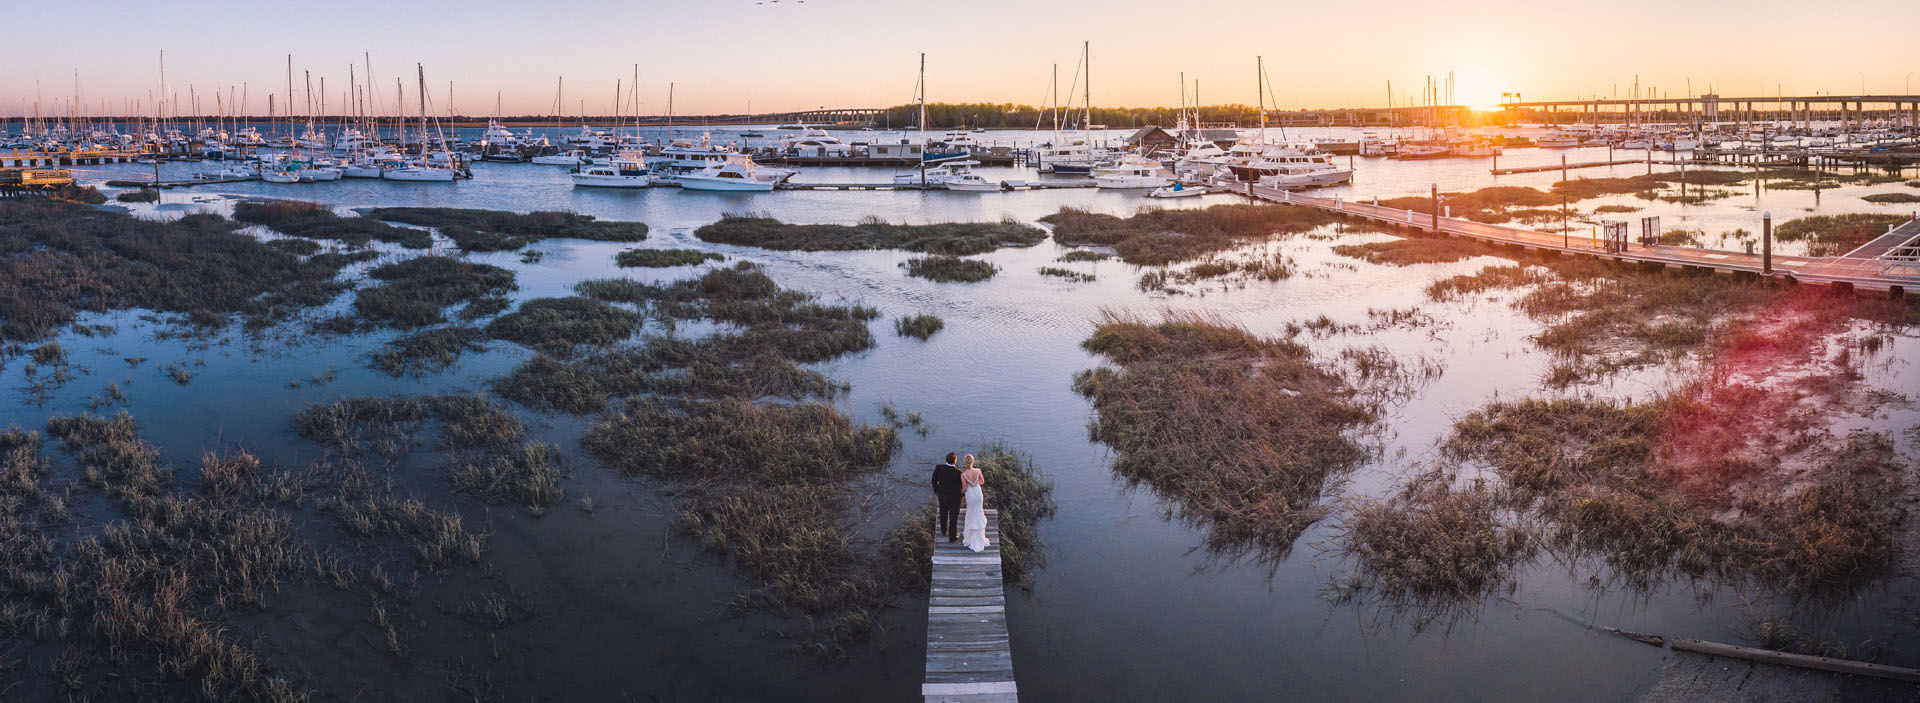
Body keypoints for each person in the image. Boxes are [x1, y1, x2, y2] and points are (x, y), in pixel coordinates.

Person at [931, 452, 963, 543]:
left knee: (943, 513)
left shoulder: (939, 468)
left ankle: (943, 530)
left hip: (942, 496)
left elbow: (933, 480)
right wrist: (962, 496)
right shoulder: (958, 473)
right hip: (955, 498)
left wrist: (937, 490)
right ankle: (952, 537)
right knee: (953, 517)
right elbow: (962, 486)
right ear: (955, 461)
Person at [960, 454, 988, 552]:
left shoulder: (963, 475)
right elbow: (982, 481)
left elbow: (964, 488)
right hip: (978, 493)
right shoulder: (978, 470)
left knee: (971, 513)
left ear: (965, 463)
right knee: (979, 512)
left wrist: (961, 494)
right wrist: (975, 484)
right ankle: (980, 537)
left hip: (970, 494)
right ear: (973, 462)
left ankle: (970, 538)